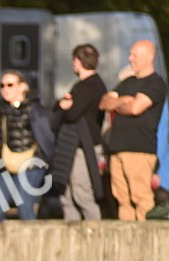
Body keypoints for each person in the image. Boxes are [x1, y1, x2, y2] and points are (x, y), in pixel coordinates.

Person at [99, 40, 168, 220]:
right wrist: (124, 100)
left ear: (149, 57)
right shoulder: (128, 82)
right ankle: (126, 239)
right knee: (122, 198)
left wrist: (120, 103)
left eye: (134, 55)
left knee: (140, 196)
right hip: (117, 148)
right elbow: (104, 102)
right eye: (130, 54)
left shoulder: (156, 83)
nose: (130, 58)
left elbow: (136, 108)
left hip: (139, 149)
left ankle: (146, 239)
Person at [0, 71, 53, 221]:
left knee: (24, 206)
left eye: (10, 85)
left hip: (31, 165)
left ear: (23, 87)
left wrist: (43, 162)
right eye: (2, 85)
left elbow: (46, 139)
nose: (5, 89)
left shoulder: (35, 109)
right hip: (7, 165)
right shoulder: (1, 112)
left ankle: (31, 243)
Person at [51, 44, 106, 220]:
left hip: (84, 148)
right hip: (72, 147)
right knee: (66, 196)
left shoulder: (92, 86)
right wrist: (62, 105)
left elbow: (72, 114)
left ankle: (95, 234)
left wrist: (63, 106)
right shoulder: (82, 85)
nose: (73, 64)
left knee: (82, 195)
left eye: (74, 60)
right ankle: (73, 238)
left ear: (79, 61)